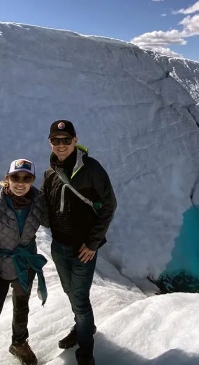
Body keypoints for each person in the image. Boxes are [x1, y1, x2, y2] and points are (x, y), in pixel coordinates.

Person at [41, 120, 117, 365]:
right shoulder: (50, 173)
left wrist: (93, 242)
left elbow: (109, 205)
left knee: (81, 301)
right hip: (59, 247)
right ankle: (84, 328)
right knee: (70, 293)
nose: (61, 145)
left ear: (75, 140)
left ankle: (85, 355)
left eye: (65, 140)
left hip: (83, 249)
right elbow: (44, 208)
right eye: (56, 140)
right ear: (50, 142)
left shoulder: (91, 169)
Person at [0, 159, 49, 365]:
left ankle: (19, 343)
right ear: (7, 179)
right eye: (15, 177)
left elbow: (56, 221)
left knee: (21, 307)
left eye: (26, 178)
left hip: (24, 265)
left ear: (32, 180)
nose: (20, 182)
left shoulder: (39, 202)